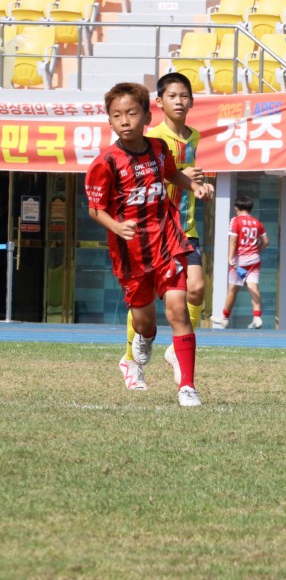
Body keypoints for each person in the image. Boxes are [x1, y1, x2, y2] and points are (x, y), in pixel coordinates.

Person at [84, 82, 210, 407]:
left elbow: (172, 176)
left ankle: (187, 386)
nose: (124, 120)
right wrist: (116, 225)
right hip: (131, 253)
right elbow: (95, 209)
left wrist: (193, 186)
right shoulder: (106, 162)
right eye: (117, 115)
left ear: (146, 116)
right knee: (145, 320)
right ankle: (144, 339)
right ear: (109, 121)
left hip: (168, 240)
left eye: (131, 113)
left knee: (178, 309)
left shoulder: (158, 149)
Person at [127, 72, 214, 383]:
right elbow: (149, 179)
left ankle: (175, 351)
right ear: (159, 102)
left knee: (198, 287)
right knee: (145, 298)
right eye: (173, 96)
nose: (179, 101)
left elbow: (188, 179)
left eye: (184, 96)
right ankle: (130, 360)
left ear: (191, 101)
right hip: (155, 230)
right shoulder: (152, 140)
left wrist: (200, 187)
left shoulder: (195, 136)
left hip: (184, 228)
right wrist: (184, 175)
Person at [210, 195, 270, 330]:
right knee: (253, 288)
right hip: (254, 261)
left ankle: (224, 318)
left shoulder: (235, 221)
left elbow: (233, 240)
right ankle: (257, 317)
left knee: (232, 289)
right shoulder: (257, 222)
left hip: (239, 262)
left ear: (237, 208)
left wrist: (230, 258)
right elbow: (265, 241)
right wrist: (256, 252)